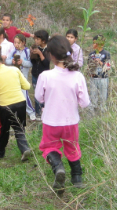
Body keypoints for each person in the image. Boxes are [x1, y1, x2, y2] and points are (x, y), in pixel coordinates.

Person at [35, 35, 90, 193]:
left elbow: (39, 97)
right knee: (72, 147)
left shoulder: (45, 76)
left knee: (49, 146)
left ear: (51, 55)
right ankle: (77, 177)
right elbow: (85, 102)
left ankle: (58, 167)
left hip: (51, 121)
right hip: (70, 121)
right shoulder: (78, 76)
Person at [0, 51, 32, 161]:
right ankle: (24, 148)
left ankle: (0, 152)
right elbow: (27, 86)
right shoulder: (14, 69)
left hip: (5, 106)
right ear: (1, 60)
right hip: (20, 103)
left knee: (4, 130)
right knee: (19, 128)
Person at [6, 34, 36, 121]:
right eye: (15, 42)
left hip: (23, 77)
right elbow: (7, 60)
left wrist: (22, 62)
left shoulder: (27, 51)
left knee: (24, 95)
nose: (16, 44)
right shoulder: (13, 51)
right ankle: (14, 112)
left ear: (23, 43)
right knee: (13, 94)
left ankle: (31, 112)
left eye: (18, 43)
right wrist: (11, 61)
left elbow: (30, 64)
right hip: (13, 76)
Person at [30, 29, 50, 119]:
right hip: (35, 74)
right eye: (35, 39)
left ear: (44, 41)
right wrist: (32, 54)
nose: (36, 41)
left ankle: (44, 111)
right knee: (36, 93)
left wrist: (40, 54)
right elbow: (33, 62)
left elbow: (46, 63)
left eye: (38, 39)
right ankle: (38, 112)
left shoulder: (48, 49)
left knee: (45, 94)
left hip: (45, 76)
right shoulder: (36, 47)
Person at [88, 35, 111, 111]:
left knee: (103, 97)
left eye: (97, 43)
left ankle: (103, 112)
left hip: (103, 78)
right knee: (93, 96)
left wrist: (100, 62)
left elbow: (108, 67)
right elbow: (89, 66)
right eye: (94, 43)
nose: (95, 45)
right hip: (93, 78)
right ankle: (92, 113)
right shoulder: (91, 55)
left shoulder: (106, 54)